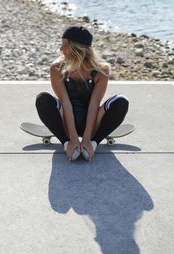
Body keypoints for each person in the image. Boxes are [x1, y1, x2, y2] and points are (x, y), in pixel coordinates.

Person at [36, 25, 129, 161]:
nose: (61, 49)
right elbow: (65, 103)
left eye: (65, 45)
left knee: (121, 101)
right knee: (42, 98)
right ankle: (66, 143)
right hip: (66, 125)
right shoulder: (57, 68)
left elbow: (94, 105)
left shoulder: (101, 71)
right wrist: (73, 138)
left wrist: (86, 139)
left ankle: (93, 143)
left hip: (93, 126)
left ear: (78, 49)